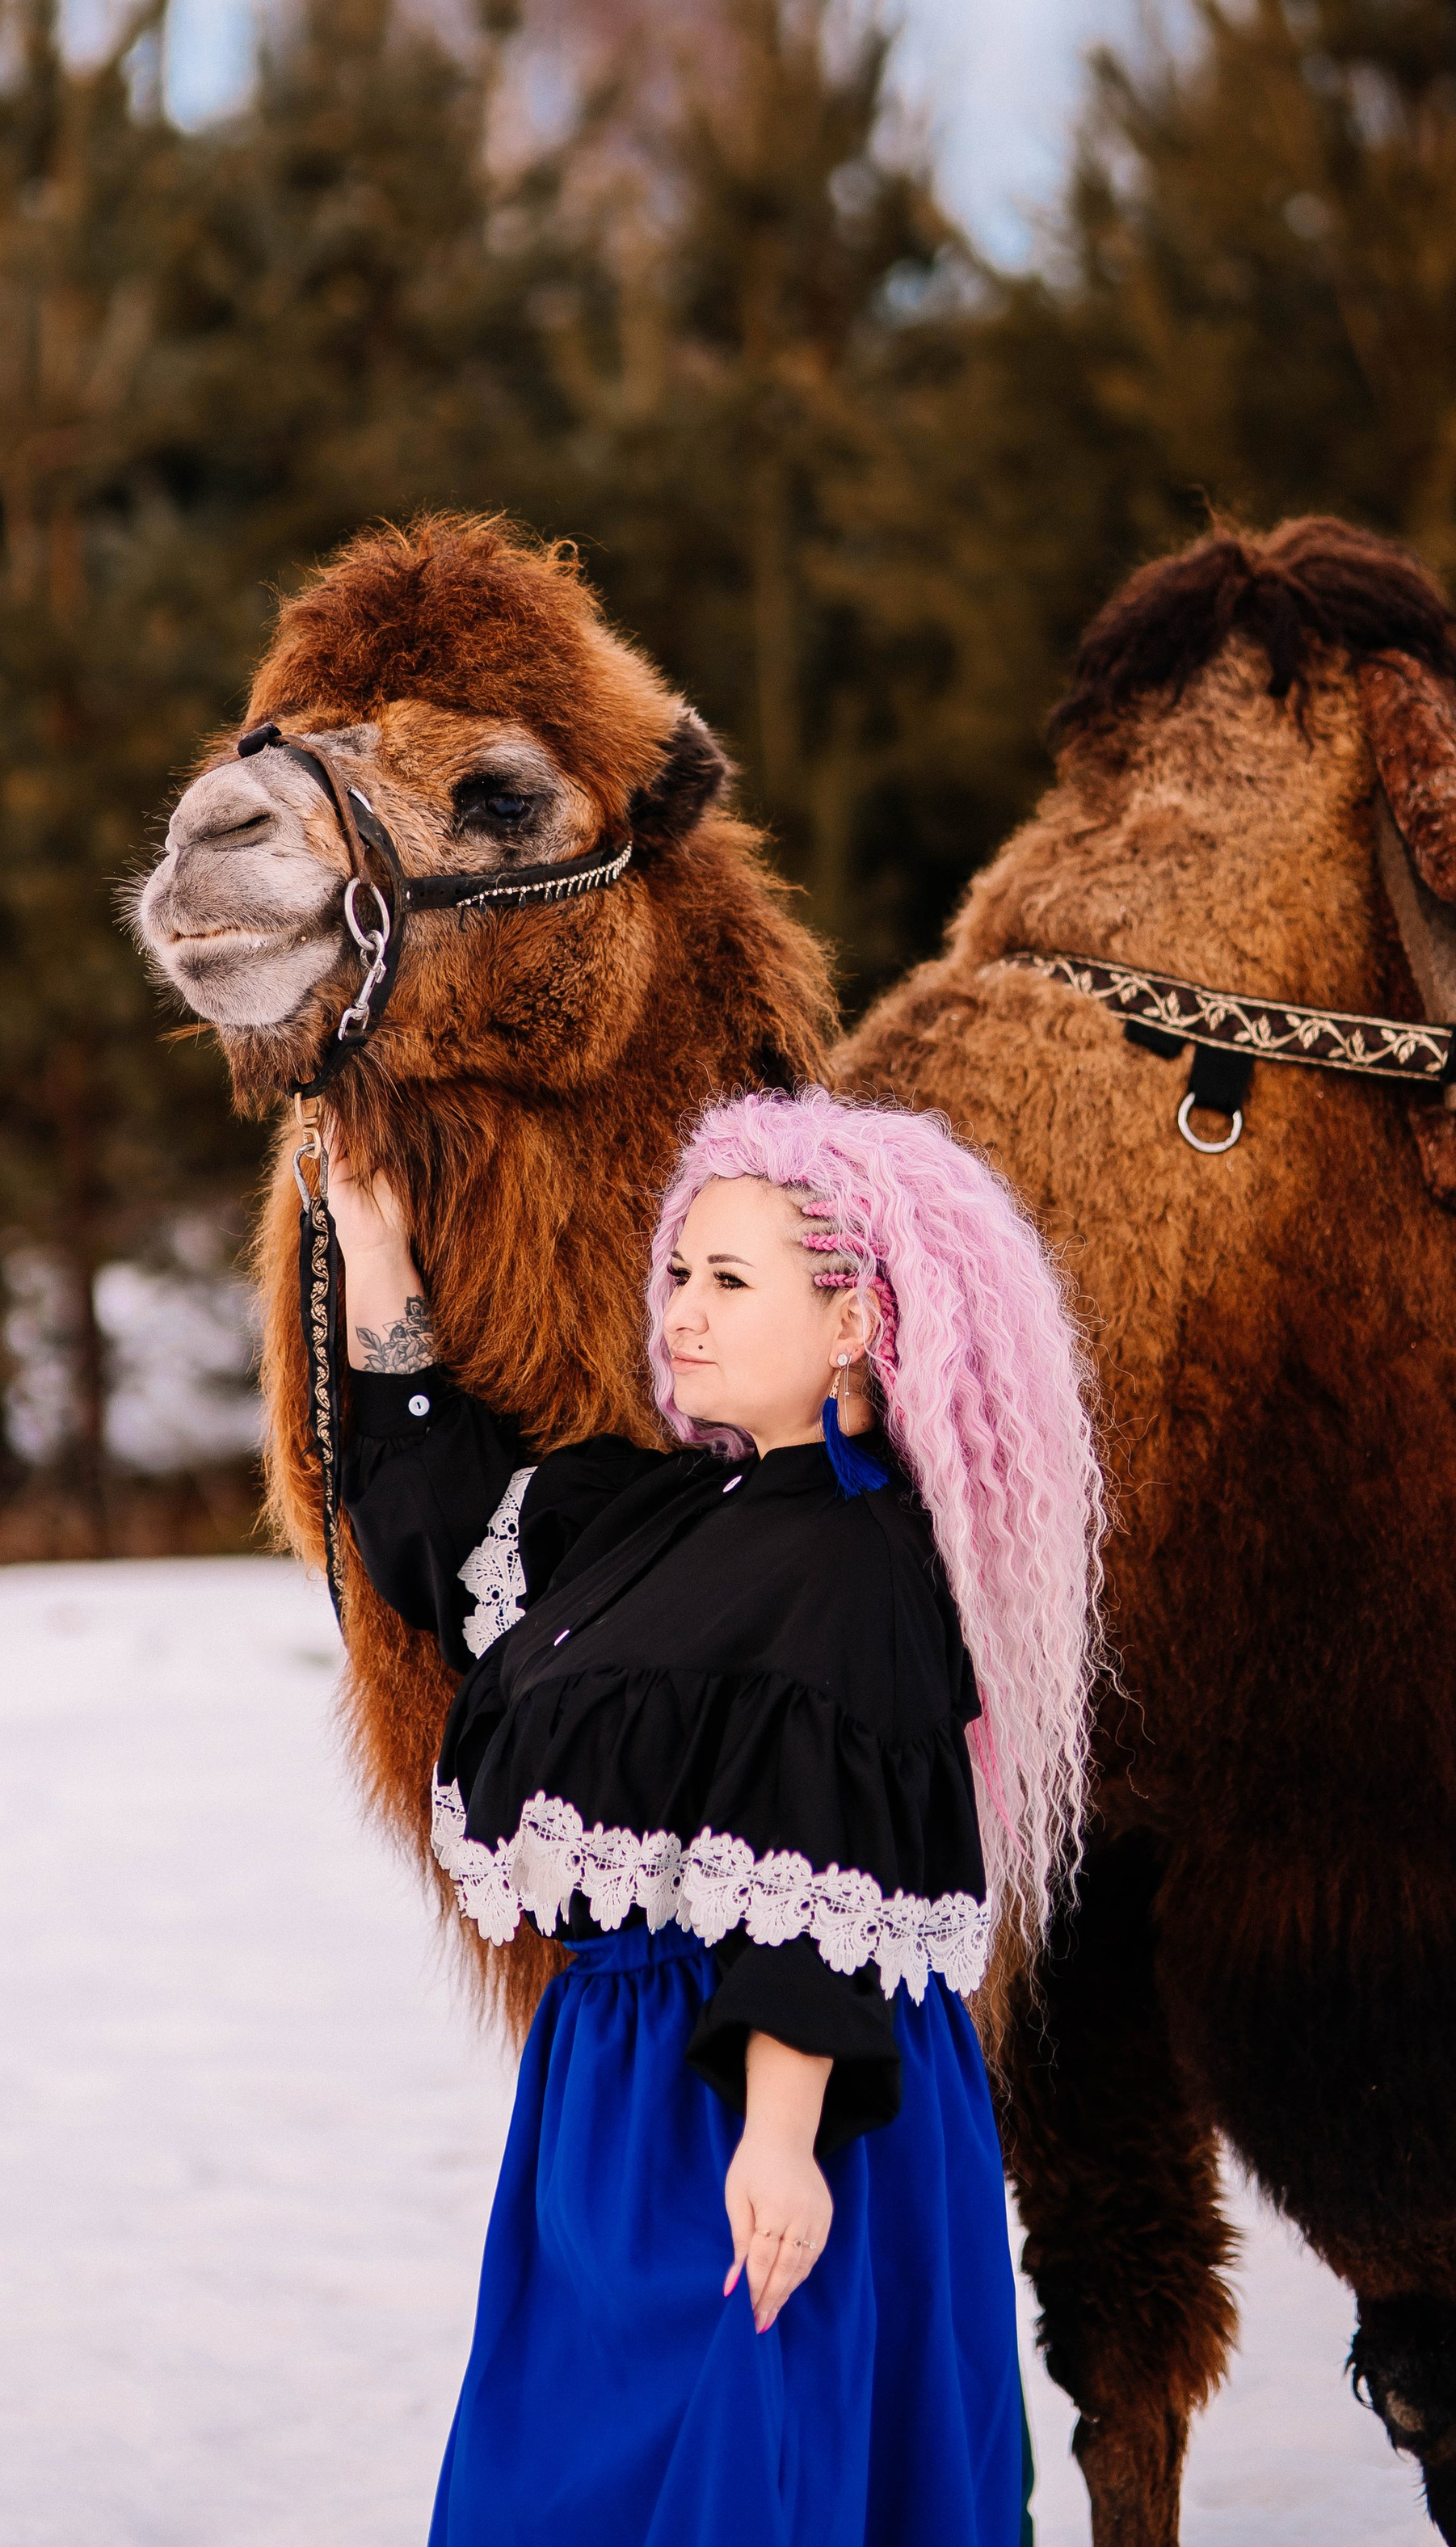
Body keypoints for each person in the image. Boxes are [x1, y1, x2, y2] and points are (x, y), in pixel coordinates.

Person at [328, 1085, 1102, 2547]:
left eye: (729, 1280)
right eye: (681, 1270)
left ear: (857, 1324)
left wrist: (781, 2140)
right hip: (616, 2103)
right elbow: (441, 1534)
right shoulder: (664, 1513)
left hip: (762, 2110)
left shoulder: (857, 1564)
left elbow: (829, 1869)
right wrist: (376, 1246)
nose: (680, 1307)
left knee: (750, 2489)